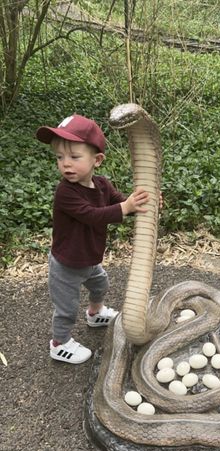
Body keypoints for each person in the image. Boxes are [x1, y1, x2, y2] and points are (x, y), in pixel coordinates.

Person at [36, 114, 152, 365]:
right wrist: (126, 207)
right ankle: (59, 343)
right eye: (59, 157)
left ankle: (95, 312)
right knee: (66, 309)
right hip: (66, 265)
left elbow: (119, 202)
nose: (65, 164)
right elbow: (92, 216)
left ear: (97, 160)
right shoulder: (65, 192)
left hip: (89, 259)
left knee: (100, 285)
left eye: (74, 157)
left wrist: (141, 204)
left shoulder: (102, 185)